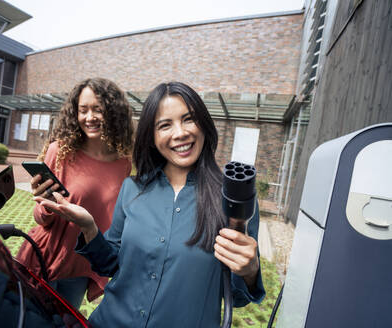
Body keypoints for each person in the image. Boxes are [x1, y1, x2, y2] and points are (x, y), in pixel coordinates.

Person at [34, 82, 265, 327]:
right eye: (165, 125)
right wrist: (89, 227)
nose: (180, 133)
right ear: (152, 137)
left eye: (188, 119)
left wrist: (250, 271)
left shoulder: (231, 199)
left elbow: (237, 298)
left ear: (204, 125)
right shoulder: (132, 189)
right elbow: (111, 264)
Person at [16, 77, 134, 309]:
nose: (89, 117)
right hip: (44, 257)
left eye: (97, 109)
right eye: (83, 110)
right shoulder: (59, 151)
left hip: (82, 266)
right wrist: (46, 205)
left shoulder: (124, 165)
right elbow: (40, 218)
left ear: (113, 112)